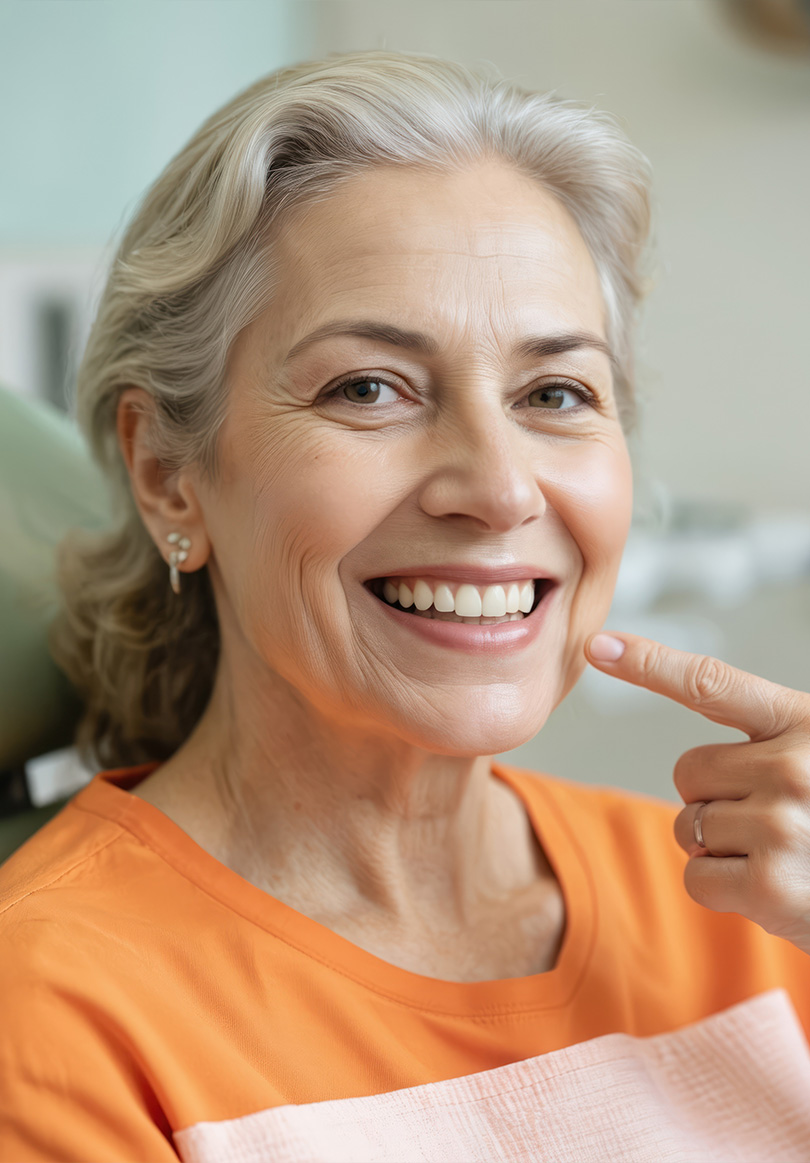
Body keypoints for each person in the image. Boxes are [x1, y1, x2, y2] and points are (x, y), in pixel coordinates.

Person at [2, 49, 810, 1163]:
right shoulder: (54, 1010)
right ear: (167, 474)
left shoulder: (756, 897)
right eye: (369, 387)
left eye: (555, 392)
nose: (500, 488)